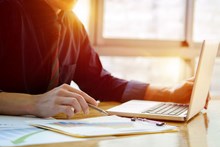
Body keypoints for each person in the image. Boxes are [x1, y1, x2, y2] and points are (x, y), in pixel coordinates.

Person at [0, 0, 206, 118]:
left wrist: (168, 93)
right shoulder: (7, 9)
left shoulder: (73, 24)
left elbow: (99, 82)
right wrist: (33, 103)